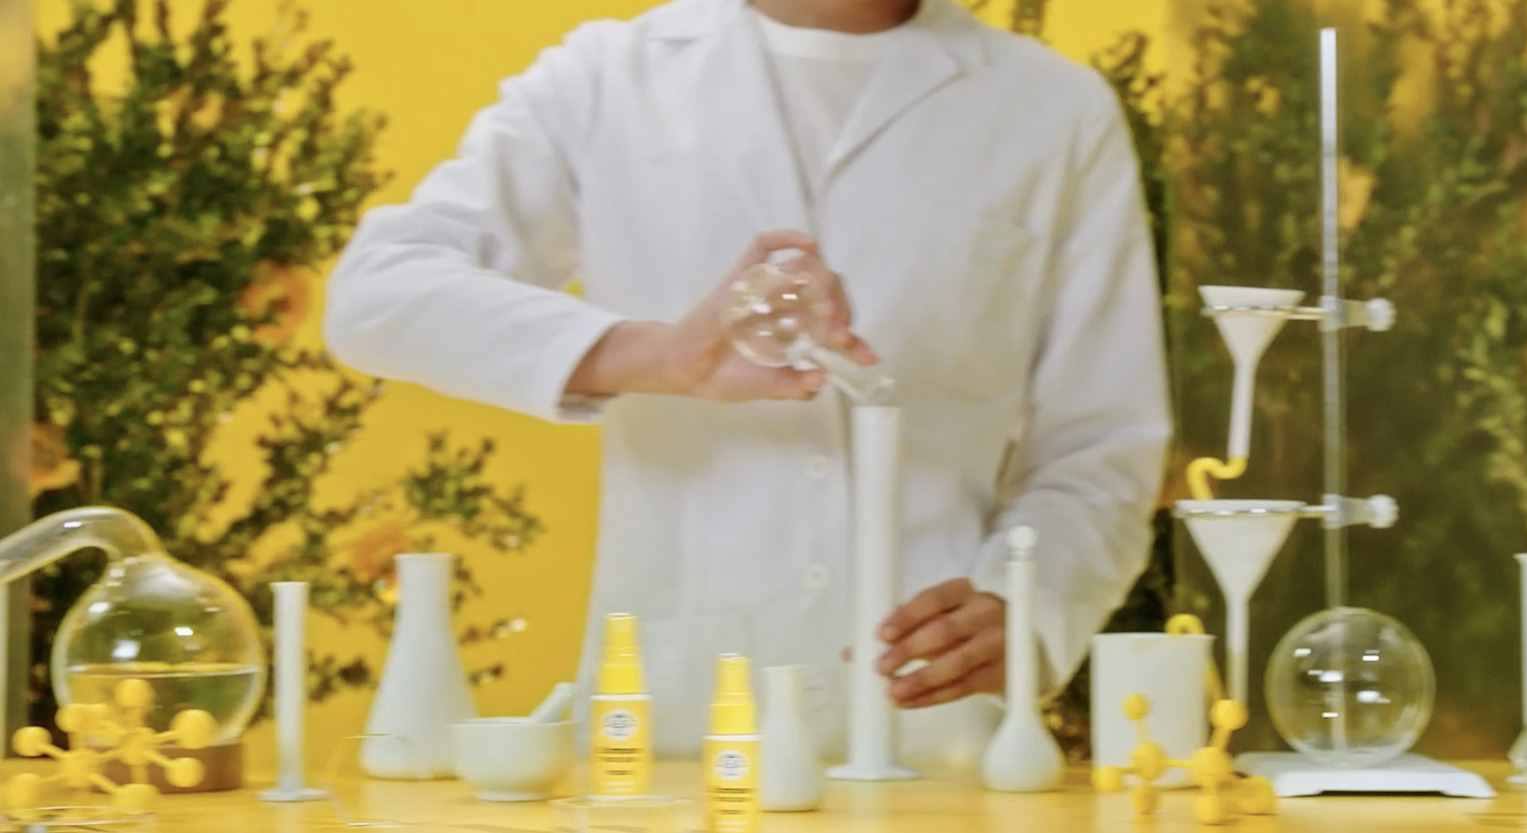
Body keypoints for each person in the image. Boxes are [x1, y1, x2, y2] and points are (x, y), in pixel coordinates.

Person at [322, 0, 1170, 764]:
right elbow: (377, 292)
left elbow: (1100, 447)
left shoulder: (1053, 111)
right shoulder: (609, 79)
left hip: (936, 739)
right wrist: (651, 355)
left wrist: (1028, 606)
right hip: (675, 731)